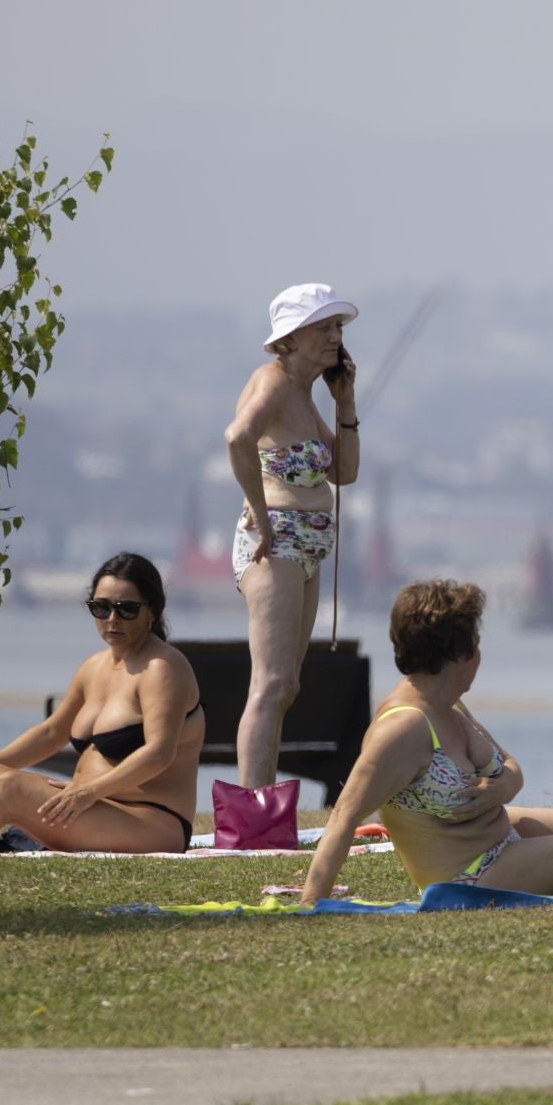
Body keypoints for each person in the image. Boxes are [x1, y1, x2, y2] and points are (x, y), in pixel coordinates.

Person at [300, 579, 553, 902]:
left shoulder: (449, 706)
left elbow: (512, 769)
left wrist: (500, 788)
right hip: (472, 877)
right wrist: (312, 903)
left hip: (503, 838)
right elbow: (345, 814)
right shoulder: (403, 728)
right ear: (463, 654)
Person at [0, 554, 204, 852]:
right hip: (91, 807)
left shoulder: (162, 668)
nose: (112, 619)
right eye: (101, 608)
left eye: (126, 609)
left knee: (10, 789)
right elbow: (51, 734)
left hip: (150, 822)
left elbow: (159, 753)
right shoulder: (94, 667)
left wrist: (88, 792)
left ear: (152, 610)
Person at [224, 282, 360, 788]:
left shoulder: (305, 396)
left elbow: (345, 472)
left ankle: (261, 803)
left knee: (287, 687)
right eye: (323, 327)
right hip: (274, 542)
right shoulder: (273, 382)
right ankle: (251, 807)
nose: (335, 336)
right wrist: (260, 513)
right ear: (292, 336)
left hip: (307, 547)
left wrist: (346, 402)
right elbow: (237, 436)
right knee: (271, 682)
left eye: (337, 326)